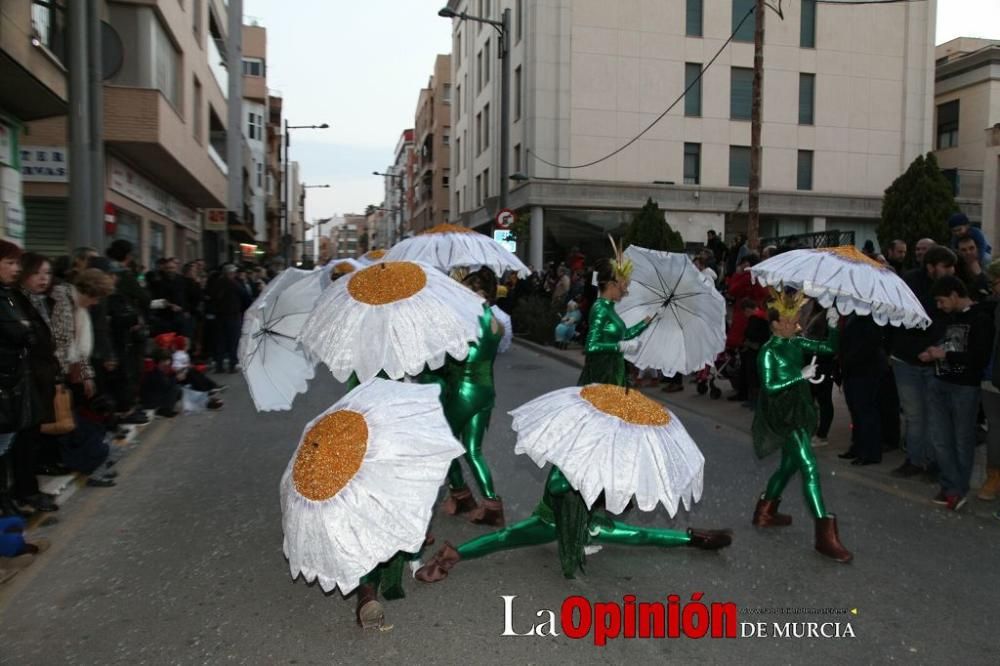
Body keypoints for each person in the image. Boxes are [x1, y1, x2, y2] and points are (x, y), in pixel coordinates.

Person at [750, 288, 851, 563]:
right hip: (783, 415)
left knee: (788, 466)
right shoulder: (768, 353)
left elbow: (828, 349)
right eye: (788, 320)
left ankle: (765, 512)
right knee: (808, 466)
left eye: (795, 318)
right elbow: (770, 387)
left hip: (802, 409)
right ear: (774, 324)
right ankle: (824, 534)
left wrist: (832, 325)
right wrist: (800, 375)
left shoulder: (794, 342)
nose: (795, 323)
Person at [435, 269, 506, 526]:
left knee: (444, 443)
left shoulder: (469, 320)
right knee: (473, 451)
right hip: (486, 391)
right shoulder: (496, 321)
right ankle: (490, 505)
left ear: (477, 292)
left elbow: (452, 356)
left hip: (465, 391)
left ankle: (460, 493)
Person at [919, 276, 994, 511]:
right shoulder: (950, 318)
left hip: (965, 387)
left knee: (962, 440)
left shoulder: (981, 318)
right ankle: (951, 485)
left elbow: (978, 357)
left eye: (942, 301)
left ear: (954, 295)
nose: (939, 306)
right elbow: (948, 346)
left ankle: (956, 489)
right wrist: (934, 353)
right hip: (940, 381)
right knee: (940, 439)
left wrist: (944, 355)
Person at [889, 246, 956, 479]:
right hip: (906, 359)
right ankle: (915, 460)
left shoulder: (952, 285)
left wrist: (934, 350)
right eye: (946, 266)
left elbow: (949, 321)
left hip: (932, 359)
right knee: (914, 414)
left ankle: (933, 463)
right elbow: (900, 319)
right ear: (931, 266)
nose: (951, 271)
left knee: (935, 415)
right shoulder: (909, 282)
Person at [10, 254, 60, 513]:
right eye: (38, 273)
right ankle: (24, 492)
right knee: (23, 438)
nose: (44, 279)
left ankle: (27, 489)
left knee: (31, 436)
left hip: (40, 376)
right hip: (23, 379)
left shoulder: (44, 302)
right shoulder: (14, 302)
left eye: (48, 273)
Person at [0, 242, 40, 518]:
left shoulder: (10, 296)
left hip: (14, 381)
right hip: (5, 381)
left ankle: (5, 499)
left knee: (6, 444)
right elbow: (20, 332)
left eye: (17, 264)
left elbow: (31, 333)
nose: (16, 269)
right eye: (10, 263)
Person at [578, 250, 653, 387]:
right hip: (601, 378)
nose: (626, 291)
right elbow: (591, 346)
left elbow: (623, 335)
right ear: (611, 285)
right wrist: (620, 346)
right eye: (624, 286)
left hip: (614, 374)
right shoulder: (600, 309)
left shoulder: (609, 308)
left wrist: (645, 322)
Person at [836, 314, 890, 465]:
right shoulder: (851, 316)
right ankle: (858, 446)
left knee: (865, 410)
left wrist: (847, 359)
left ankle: (870, 452)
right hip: (852, 369)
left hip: (865, 369)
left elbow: (868, 345)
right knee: (856, 410)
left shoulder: (869, 317)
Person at [979, 260, 1000, 503]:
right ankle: (992, 477)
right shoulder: (993, 305)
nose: (993, 288)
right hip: (991, 375)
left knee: (995, 429)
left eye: (995, 283)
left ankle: (993, 478)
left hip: (993, 375)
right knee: (995, 428)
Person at [208, 265, 244, 373]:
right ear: (229, 274)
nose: (234, 275)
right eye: (233, 273)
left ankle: (220, 365)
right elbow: (244, 294)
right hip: (231, 316)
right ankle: (232, 365)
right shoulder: (234, 283)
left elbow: (211, 297)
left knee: (221, 342)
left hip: (220, 316)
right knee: (233, 341)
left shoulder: (216, 283)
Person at [955, 235, 991, 302]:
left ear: (977, 248)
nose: (968, 252)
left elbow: (989, 290)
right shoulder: (956, 269)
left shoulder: (988, 265)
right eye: (963, 250)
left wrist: (979, 274)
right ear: (958, 252)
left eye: (971, 248)